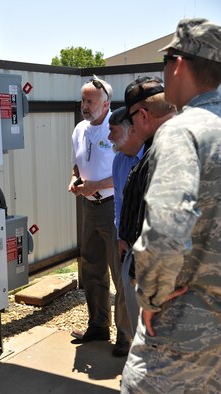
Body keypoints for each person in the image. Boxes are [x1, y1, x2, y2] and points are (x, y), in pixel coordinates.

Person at [121, 18, 221, 393]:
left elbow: (165, 226)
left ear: (178, 63)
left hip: (183, 332)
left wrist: (150, 296)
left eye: (165, 63)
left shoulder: (183, 130)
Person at [68, 75, 132, 357]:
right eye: (83, 100)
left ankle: (126, 336)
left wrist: (95, 186)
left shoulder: (116, 128)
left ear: (106, 103)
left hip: (111, 206)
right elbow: (78, 163)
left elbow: (125, 171)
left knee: (119, 273)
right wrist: (75, 179)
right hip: (88, 207)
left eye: (90, 101)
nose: (84, 105)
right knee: (91, 267)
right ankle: (98, 325)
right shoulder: (80, 129)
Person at [112, 77, 176, 339]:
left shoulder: (168, 149)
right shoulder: (159, 146)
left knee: (153, 349)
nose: (133, 127)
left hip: (155, 278)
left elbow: (165, 221)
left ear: (144, 115)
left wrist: (142, 275)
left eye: (132, 119)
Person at [108, 107, 144, 340]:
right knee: (130, 295)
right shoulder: (119, 161)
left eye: (114, 131)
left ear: (131, 132)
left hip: (152, 246)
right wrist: (121, 236)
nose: (109, 137)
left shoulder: (153, 158)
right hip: (129, 242)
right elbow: (119, 202)